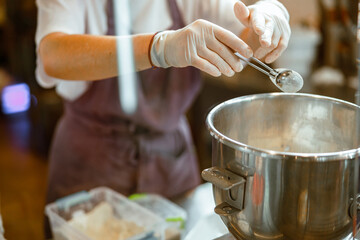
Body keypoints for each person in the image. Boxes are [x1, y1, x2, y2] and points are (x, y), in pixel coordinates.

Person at [36, 0, 290, 210]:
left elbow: (243, 39)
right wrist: (160, 48)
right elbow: (53, 55)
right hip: (92, 166)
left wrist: (270, 17)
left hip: (170, 166)